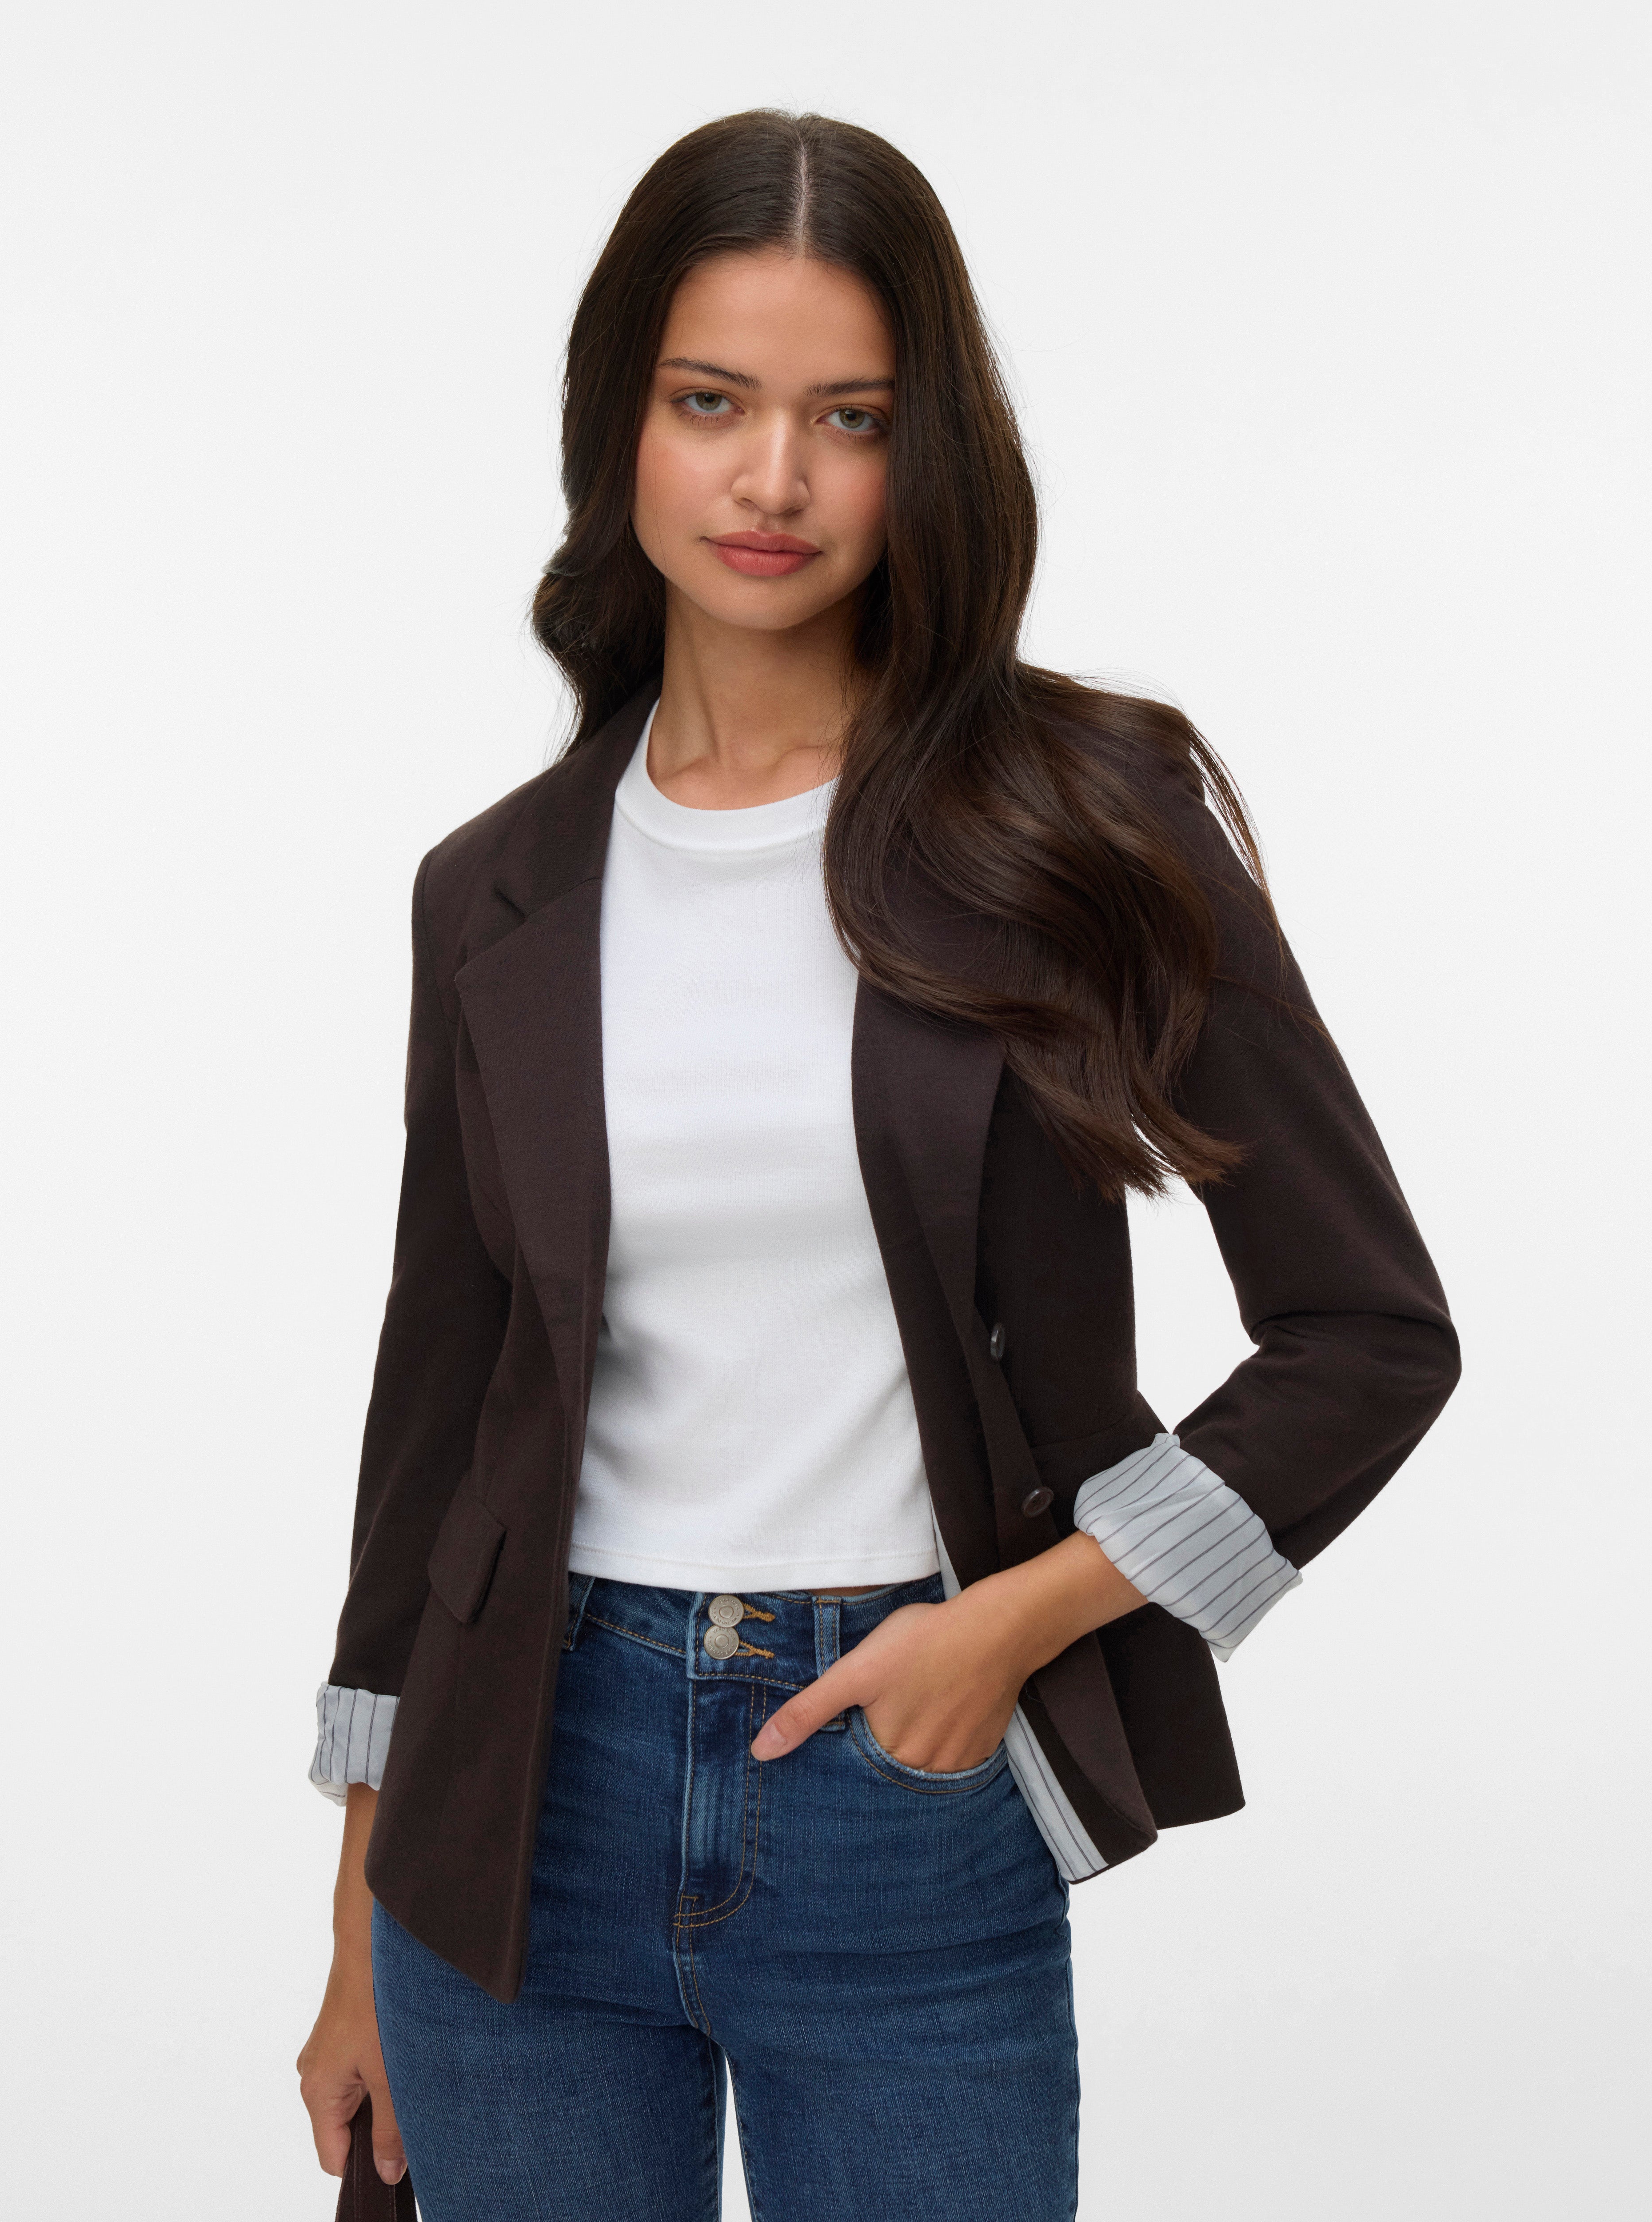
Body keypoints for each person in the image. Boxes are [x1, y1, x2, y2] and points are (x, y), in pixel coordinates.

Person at [296, 108, 1459, 2222]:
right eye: (709, 403)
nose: (773, 479)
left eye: (848, 418)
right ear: (616, 423)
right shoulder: (496, 887)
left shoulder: (1078, 819)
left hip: (901, 1782)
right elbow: (437, 1416)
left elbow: (1367, 1333)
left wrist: (1009, 1622)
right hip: (512, 1801)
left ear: (927, 452)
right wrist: (358, 1913)